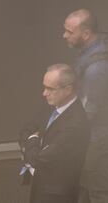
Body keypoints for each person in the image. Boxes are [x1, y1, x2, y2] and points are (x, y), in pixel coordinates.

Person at [63, 9, 108, 203]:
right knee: (87, 190)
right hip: (96, 141)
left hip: (101, 144)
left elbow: (86, 113)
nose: (64, 35)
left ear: (86, 34)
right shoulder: (96, 50)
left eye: (69, 31)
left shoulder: (97, 68)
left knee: (103, 193)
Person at [19, 64, 90, 203]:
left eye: (50, 89)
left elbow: (39, 159)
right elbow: (25, 130)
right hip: (41, 184)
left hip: (56, 195)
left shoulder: (76, 123)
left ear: (68, 89)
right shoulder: (51, 105)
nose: (44, 93)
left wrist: (32, 139)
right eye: (44, 87)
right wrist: (33, 142)